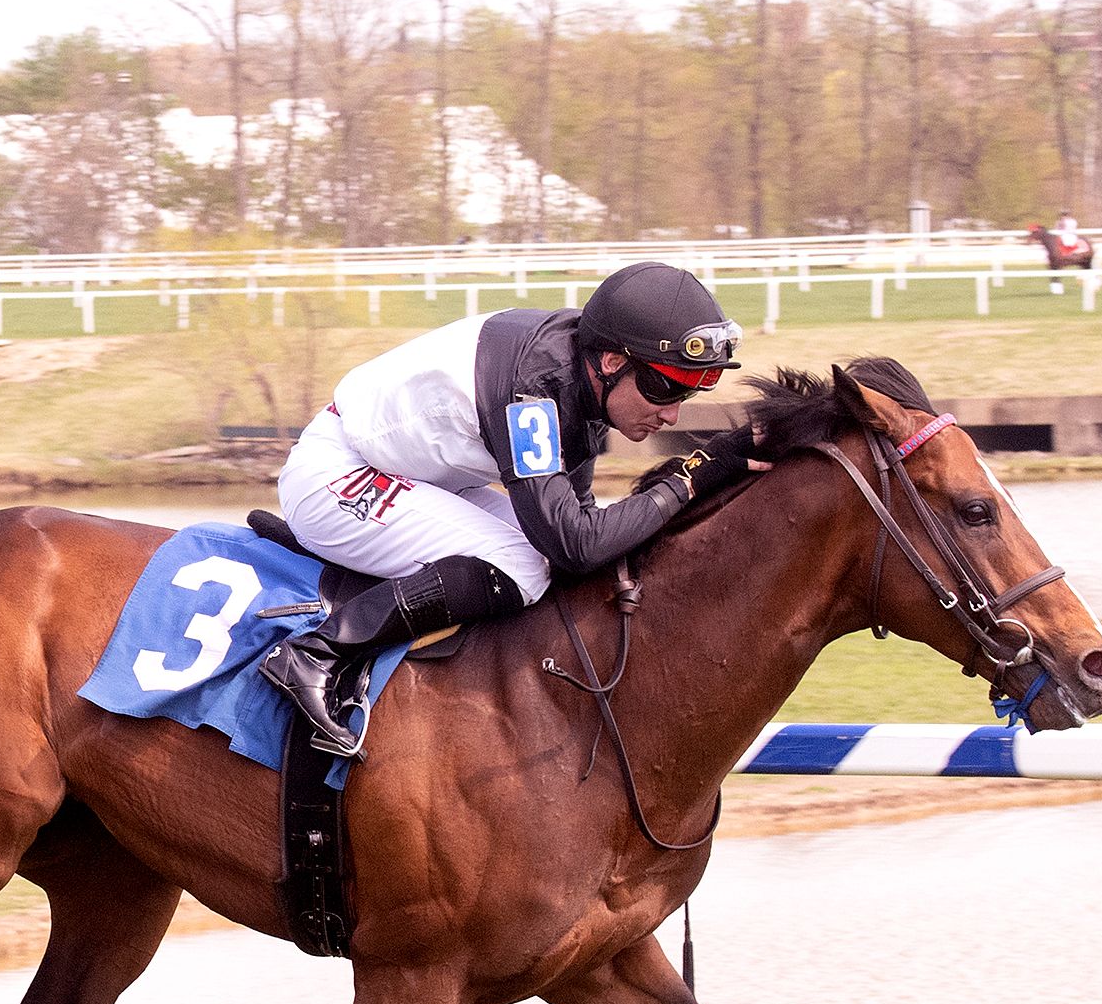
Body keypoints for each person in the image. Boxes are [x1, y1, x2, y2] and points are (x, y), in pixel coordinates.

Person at [259, 259, 765, 757]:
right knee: (522, 563)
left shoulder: (584, 378)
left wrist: (702, 472)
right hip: (334, 477)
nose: (673, 412)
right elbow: (578, 543)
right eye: (665, 386)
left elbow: (578, 539)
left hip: (410, 475)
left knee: (543, 560)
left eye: (695, 388)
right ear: (612, 361)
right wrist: (691, 475)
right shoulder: (534, 395)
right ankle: (317, 652)